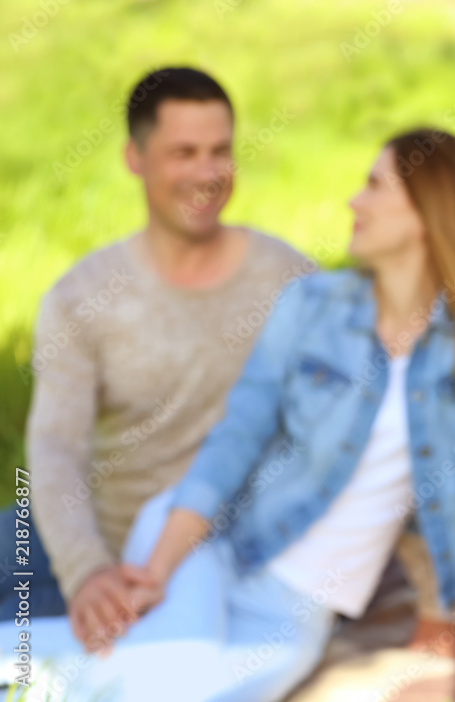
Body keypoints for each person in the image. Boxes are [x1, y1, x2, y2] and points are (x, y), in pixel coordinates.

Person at [5, 128, 455, 701]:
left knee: (175, 685)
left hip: (303, 609)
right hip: (213, 546)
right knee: (173, 675)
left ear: (427, 213)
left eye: (375, 187)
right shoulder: (313, 306)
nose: (354, 201)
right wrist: (157, 570)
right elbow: (237, 437)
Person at [0, 67, 309, 651]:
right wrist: (87, 570)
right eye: (183, 152)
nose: (206, 173)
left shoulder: (288, 280)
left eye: (220, 151)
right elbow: (55, 449)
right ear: (134, 159)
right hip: (85, 537)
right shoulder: (81, 296)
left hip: (194, 558)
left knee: (33, 663)